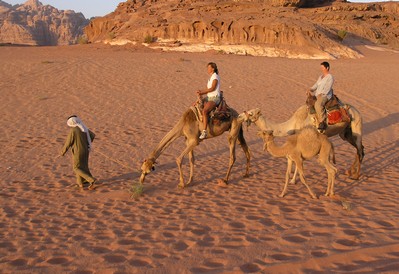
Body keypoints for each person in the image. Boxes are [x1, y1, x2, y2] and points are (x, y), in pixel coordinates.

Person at [60, 115, 96, 190]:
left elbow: (68, 142)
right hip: (86, 150)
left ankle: (90, 179)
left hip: (78, 151)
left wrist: (63, 152)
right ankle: (81, 183)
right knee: (83, 166)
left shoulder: (73, 130)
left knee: (76, 167)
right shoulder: (84, 128)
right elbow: (92, 135)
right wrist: (86, 143)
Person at [196, 62, 221, 140]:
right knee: (195, 105)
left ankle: (204, 131)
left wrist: (202, 92)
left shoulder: (215, 77)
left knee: (205, 111)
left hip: (214, 98)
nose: (207, 69)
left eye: (208, 67)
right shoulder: (210, 77)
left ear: (212, 69)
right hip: (209, 97)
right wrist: (201, 92)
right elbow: (209, 89)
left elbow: (213, 88)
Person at [307, 61, 334, 131]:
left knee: (318, 104)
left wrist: (322, 94)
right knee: (309, 102)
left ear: (327, 68)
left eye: (322, 67)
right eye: (321, 67)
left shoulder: (330, 77)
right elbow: (316, 85)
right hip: (317, 94)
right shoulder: (321, 77)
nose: (321, 69)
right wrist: (311, 89)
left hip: (325, 95)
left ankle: (322, 121)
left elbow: (328, 87)